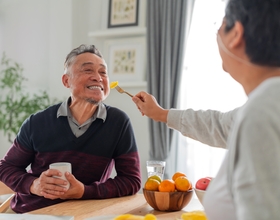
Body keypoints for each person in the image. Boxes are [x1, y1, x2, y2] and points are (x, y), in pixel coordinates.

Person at [132, 0, 280, 219]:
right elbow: (219, 125)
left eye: (220, 26)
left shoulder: (263, 111)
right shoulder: (266, 102)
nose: (217, 35)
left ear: (236, 33)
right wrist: (161, 114)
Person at [0, 44, 141, 213]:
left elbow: (131, 180)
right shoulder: (37, 122)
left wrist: (84, 191)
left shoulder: (118, 122)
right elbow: (6, 167)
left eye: (103, 72)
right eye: (88, 70)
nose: (98, 77)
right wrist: (34, 185)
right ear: (66, 81)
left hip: (83, 213)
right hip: (31, 212)